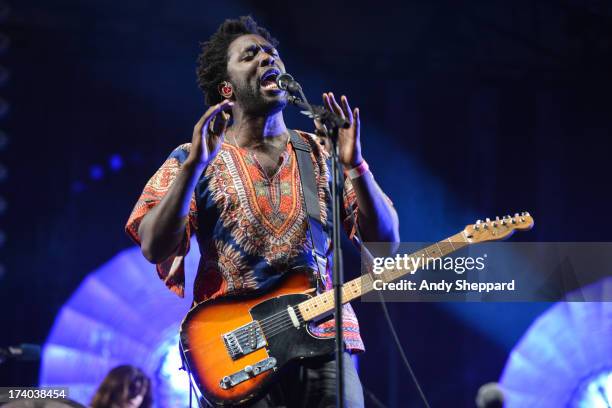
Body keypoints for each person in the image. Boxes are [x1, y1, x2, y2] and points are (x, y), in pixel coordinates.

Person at [125, 16, 399, 408]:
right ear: (227, 88)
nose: (267, 58)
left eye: (272, 53)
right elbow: (154, 245)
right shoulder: (194, 158)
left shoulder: (321, 152)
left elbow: (385, 240)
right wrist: (193, 168)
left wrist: (355, 165)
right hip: (238, 351)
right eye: (250, 55)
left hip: (324, 335)